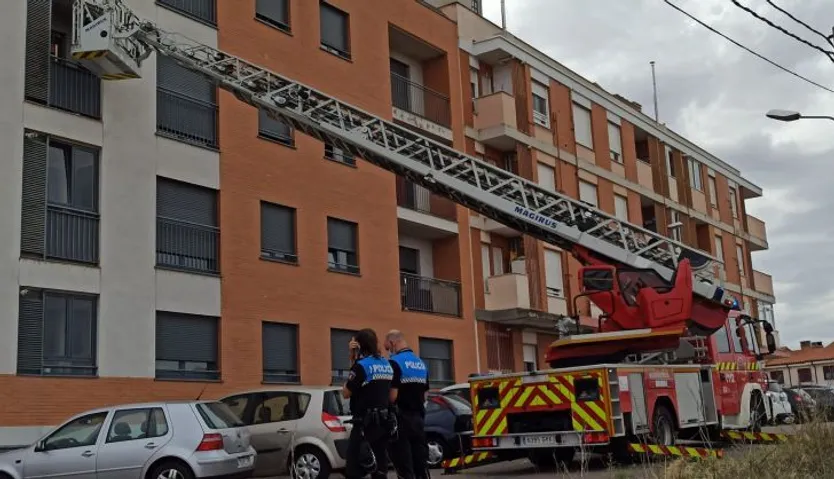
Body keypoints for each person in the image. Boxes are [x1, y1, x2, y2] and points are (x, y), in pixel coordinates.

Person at [342, 328, 396, 479]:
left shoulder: (361, 366)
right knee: (380, 469)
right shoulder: (386, 364)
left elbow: (346, 393)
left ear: (359, 345)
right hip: (383, 424)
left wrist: (352, 359)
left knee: (353, 470)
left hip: (364, 426)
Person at [385, 330, 430, 479]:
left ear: (392, 343)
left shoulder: (394, 362)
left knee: (404, 468)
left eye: (388, 348)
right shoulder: (421, 363)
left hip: (401, 421)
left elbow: (392, 397)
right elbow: (425, 395)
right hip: (419, 420)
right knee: (420, 466)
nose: (389, 352)